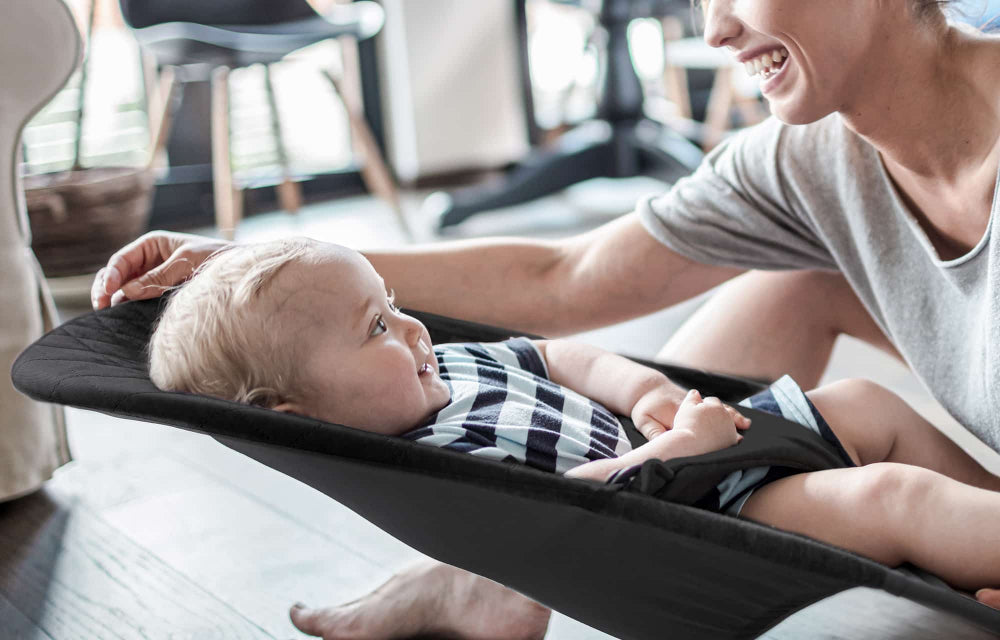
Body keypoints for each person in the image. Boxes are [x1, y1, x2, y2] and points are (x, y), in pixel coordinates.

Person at [92, 0, 1000, 637]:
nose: (716, 29)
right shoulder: (807, 158)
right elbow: (562, 277)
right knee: (797, 284)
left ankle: (499, 573)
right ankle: (492, 574)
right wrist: (260, 265)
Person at [149, 236, 1000, 603]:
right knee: (890, 497)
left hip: (709, 449)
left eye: (395, 304)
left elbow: (561, 357)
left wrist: (643, 391)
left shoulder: (449, 369)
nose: (412, 330)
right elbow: (575, 510)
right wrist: (681, 444)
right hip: (705, 514)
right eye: (375, 328)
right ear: (297, 414)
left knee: (866, 405)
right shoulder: (436, 453)